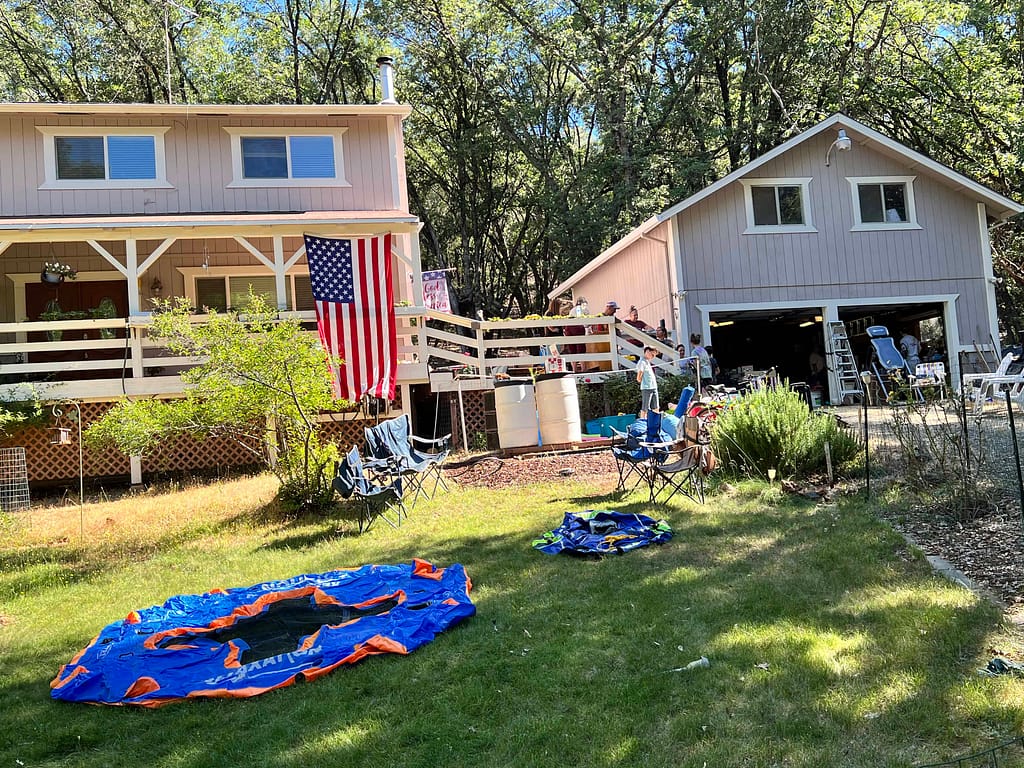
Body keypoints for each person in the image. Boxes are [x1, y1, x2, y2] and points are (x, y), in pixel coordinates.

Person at [636, 345, 659, 418]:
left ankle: (656, 421)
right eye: (652, 354)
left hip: (653, 386)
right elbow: (640, 372)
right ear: (647, 351)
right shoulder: (642, 362)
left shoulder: (647, 362)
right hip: (647, 387)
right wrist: (639, 379)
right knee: (645, 407)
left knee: (656, 406)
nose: (653, 357)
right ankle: (643, 421)